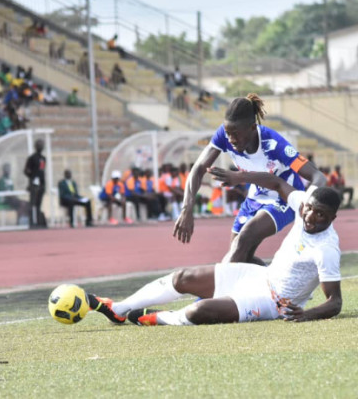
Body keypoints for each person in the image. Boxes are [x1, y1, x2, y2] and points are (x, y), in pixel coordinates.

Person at [88, 175, 342, 327]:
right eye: (309, 208)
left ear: (332, 217)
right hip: (259, 277)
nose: (310, 216)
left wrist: (306, 314)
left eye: (321, 214)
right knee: (182, 277)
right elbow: (276, 182)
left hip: (273, 302)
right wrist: (238, 177)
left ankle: (160, 318)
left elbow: (335, 302)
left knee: (199, 311)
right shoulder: (302, 205)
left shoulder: (327, 249)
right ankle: (119, 309)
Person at [173, 93, 327, 266]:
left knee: (244, 239)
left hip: (283, 198)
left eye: (236, 134)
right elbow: (198, 169)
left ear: (253, 128)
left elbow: (318, 177)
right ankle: (276, 284)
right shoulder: (224, 135)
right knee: (238, 258)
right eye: (228, 133)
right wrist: (187, 208)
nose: (231, 140)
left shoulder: (274, 144)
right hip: (255, 196)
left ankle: (211, 293)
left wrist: (308, 206)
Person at [24, 139, 47, 228]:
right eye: (39, 145)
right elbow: (26, 170)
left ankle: (38, 221)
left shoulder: (43, 158)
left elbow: (42, 171)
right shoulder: (32, 158)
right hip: (34, 184)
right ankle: (31, 222)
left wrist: (43, 183)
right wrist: (32, 177)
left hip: (41, 184)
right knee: (32, 203)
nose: (40, 147)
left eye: (41, 145)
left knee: (38, 204)